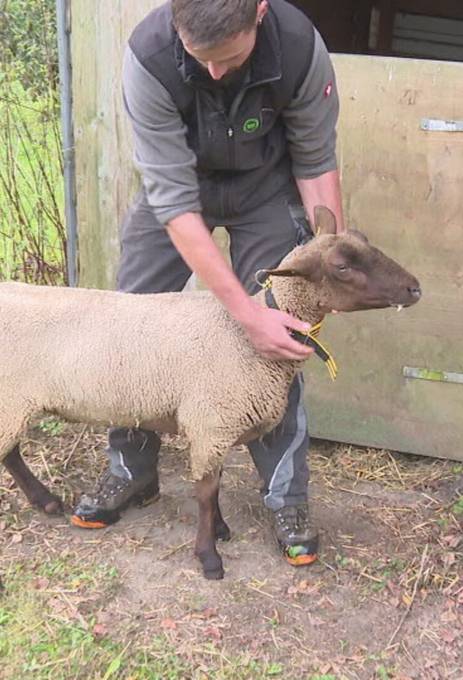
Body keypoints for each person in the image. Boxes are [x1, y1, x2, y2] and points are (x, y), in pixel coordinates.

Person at [71, 0, 344, 566]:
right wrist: (245, 313)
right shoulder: (148, 55)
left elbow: (316, 164)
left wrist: (326, 266)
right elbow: (173, 203)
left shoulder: (297, 46)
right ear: (177, 24)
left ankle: (285, 498)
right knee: (132, 329)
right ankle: (131, 470)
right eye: (202, 60)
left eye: (231, 57)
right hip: (179, 190)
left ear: (260, 15)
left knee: (278, 343)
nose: (216, 73)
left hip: (265, 188)